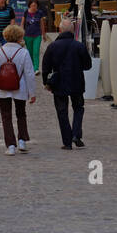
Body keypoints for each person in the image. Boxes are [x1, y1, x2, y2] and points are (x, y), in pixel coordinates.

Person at [41, 17, 92, 149]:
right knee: (78, 108)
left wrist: (46, 82)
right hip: (77, 81)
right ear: (73, 31)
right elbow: (88, 65)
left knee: (62, 111)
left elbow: (45, 67)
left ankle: (67, 141)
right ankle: (76, 134)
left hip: (59, 82)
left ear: (59, 30)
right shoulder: (79, 46)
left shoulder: (52, 46)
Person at [0, 24, 36, 156]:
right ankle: (22, 140)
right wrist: (32, 92)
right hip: (20, 87)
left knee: (6, 116)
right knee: (21, 114)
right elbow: (29, 73)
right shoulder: (24, 52)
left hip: (3, 87)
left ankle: (10, 145)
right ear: (20, 37)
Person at [21, 0, 45, 72]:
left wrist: (44, 34)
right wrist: (21, 34)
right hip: (27, 35)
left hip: (37, 35)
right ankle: (31, 67)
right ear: (29, 5)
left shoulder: (40, 13)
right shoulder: (26, 12)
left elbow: (42, 24)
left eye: (35, 6)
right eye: (32, 5)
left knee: (36, 51)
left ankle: (36, 68)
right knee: (30, 52)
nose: (34, 7)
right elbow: (22, 24)